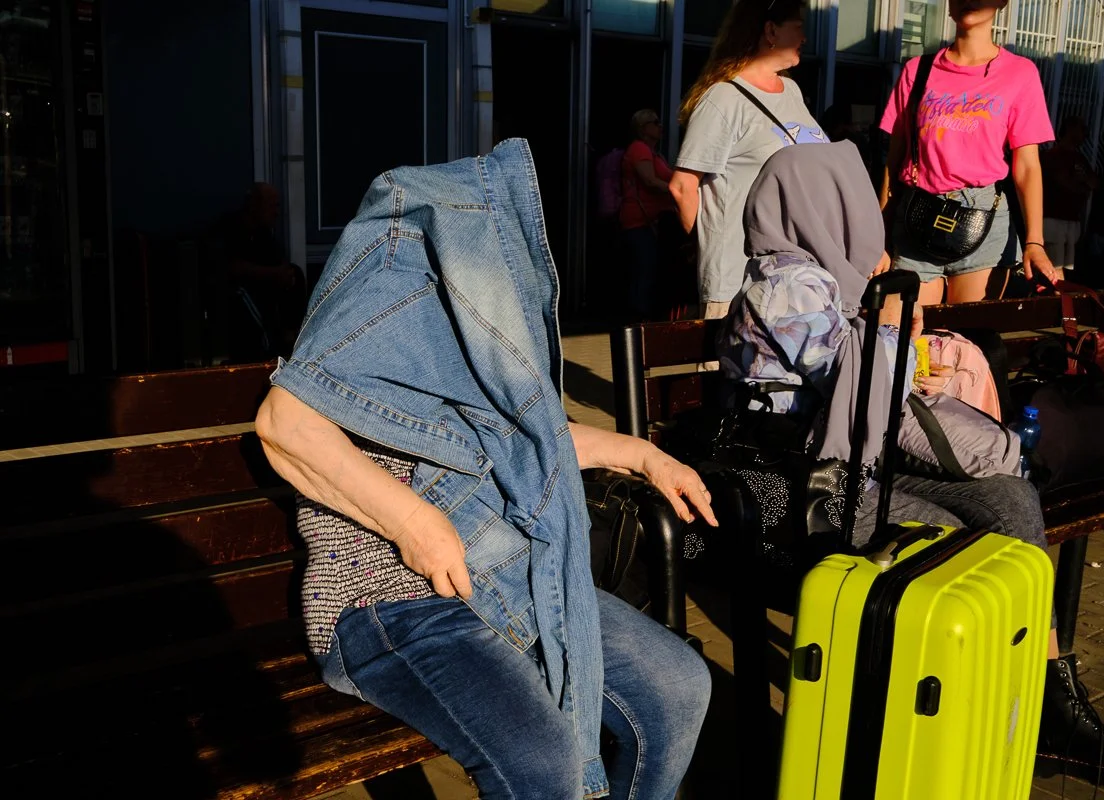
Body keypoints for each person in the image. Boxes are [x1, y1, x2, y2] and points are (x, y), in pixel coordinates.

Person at [253, 140, 713, 800]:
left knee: (679, 685)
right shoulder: (370, 311)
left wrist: (641, 454)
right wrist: (412, 520)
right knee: (544, 759)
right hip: (385, 604)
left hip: (495, 575)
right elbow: (283, 425)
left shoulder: (447, 322)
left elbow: (524, 436)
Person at [720, 140, 1104, 789]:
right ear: (817, 209)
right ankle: (943, 730)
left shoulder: (833, 279)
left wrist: (896, 326)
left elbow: (880, 402)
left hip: (858, 464)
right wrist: (893, 325)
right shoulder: (785, 286)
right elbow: (859, 385)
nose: (864, 225)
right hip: (805, 484)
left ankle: (1047, 705)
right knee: (955, 540)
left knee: (1008, 500)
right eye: (849, 207)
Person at [879, 0, 1058, 305]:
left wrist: (1035, 242)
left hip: (984, 219)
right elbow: (893, 162)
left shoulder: (1020, 73)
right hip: (916, 216)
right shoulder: (917, 71)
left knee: (967, 342)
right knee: (903, 342)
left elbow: (1027, 166)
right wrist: (878, 237)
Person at [669, 0, 828, 323]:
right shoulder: (724, 98)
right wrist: (712, 248)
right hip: (738, 282)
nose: (805, 37)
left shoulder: (792, 92)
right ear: (770, 30)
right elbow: (683, 186)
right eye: (798, 27)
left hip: (794, 277)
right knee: (731, 371)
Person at [221, 183, 306, 360]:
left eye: (278, 206)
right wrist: (272, 274)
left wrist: (285, 275)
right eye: (271, 205)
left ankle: (294, 338)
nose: (276, 212)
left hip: (265, 291)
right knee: (244, 298)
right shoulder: (232, 229)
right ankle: (270, 348)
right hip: (236, 297)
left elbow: (278, 264)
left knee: (295, 274)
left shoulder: (265, 235)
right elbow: (232, 269)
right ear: (254, 205)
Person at [619, 109, 677, 320]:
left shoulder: (653, 152)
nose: (661, 126)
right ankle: (638, 324)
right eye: (656, 122)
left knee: (647, 270)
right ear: (643, 128)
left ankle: (642, 321)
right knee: (645, 271)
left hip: (652, 220)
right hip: (640, 221)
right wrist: (678, 191)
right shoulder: (639, 149)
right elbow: (650, 181)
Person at [1041, 116, 1099, 280]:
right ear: (1071, 129)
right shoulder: (1054, 155)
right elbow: (1064, 181)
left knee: (1063, 267)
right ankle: (1057, 299)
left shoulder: (1079, 158)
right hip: (1053, 218)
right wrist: (1082, 184)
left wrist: (1082, 183)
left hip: (1071, 219)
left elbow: (1094, 182)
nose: (1085, 134)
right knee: (1055, 268)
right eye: (1082, 130)